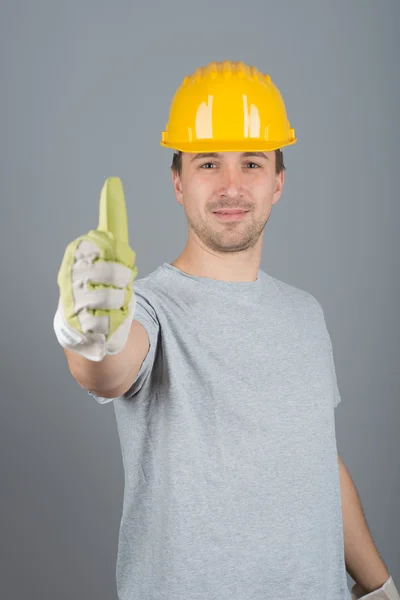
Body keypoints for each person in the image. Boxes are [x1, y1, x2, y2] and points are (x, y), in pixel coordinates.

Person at [54, 61, 352, 599]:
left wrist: (378, 585)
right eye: (209, 162)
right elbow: (108, 370)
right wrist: (90, 332)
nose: (231, 186)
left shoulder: (306, 314)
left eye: (253, 163)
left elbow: (318, 461)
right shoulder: (147, 307)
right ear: (178, 181)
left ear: (279, 181)